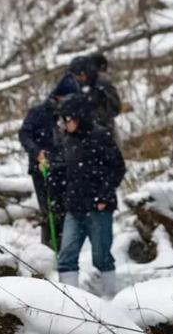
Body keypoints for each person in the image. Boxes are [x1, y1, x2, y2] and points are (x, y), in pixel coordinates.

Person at [56, 92, 126, 297]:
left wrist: (104, 196)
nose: (64, 124)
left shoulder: (100, 136)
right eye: (63, 119)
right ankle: (69, 300)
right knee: (66, 255)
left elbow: (117, 168)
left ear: (79, 117)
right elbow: (65, 170)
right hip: (74, 207)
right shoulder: (67, 140)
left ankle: (110, 297)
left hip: (98, 207)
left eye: (67, 119)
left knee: (101, 255)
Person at [18, 84, 75, 249]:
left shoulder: (69, 115)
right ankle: (50, 248)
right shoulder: (39, 112)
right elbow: (24, 134)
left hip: (65, 167)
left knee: (66, 210)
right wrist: (36, 152)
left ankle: (66, 247)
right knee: (49, 211)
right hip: (42, 167)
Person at [51, 53, 121, 137]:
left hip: (102, 130)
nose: (79, 78)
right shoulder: (70, 85)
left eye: (81, 75)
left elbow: (114, 108)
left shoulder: (100, 84)